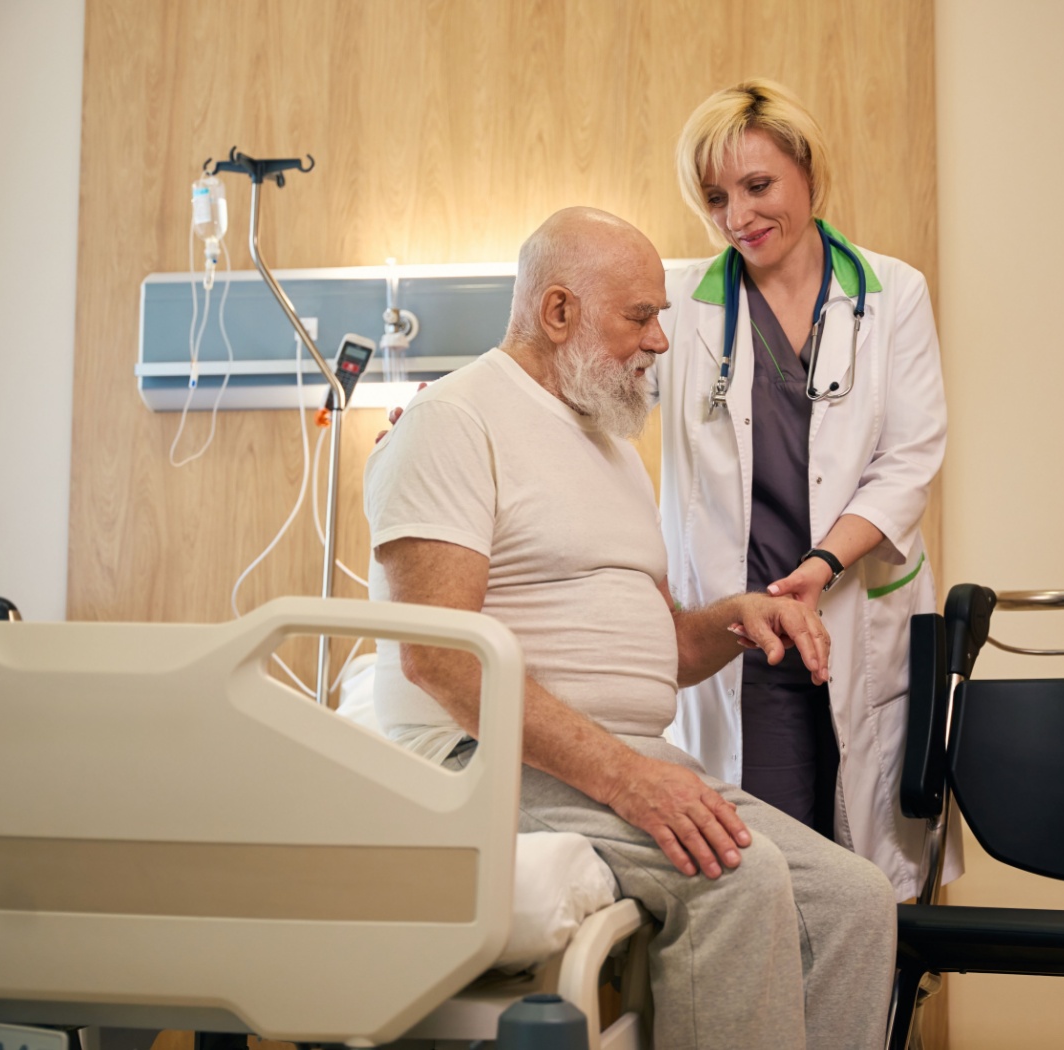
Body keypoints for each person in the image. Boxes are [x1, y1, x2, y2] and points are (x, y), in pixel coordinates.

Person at [365, 206, 897, 1050]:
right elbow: (440, 662)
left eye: (661, 317)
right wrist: (625, 780)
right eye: (639, 316)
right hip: (487, 758)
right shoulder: (453, 423)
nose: (658, 341)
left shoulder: (609, 446)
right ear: (559, 311)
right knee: (738, 877)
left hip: (629, 753)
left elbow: (665, 651)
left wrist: (731, 620)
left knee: (854, 901)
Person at [651, 80, 956, 898]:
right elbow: (585, 392)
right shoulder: (679, 304)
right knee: (765, 880)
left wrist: (821, 566)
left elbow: (911, 457)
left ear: (809, 175)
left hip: (856, 616)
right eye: (715, 197)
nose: (737, 216)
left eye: (758, 187)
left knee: (870, 881)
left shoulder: (893, 295)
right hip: (748, 639)